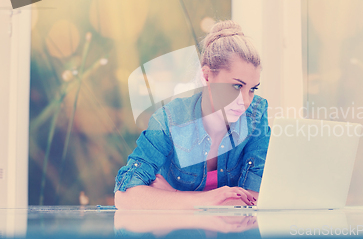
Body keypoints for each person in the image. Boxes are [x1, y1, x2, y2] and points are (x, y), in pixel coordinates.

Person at [114, 20, 271, 210]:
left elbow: (256, 199)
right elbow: (125, 196)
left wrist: (173, 196)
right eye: (237, 86)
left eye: (252, 89)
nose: (245, 101)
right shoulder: (169, 120)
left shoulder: (255, 114)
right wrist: (208, 199)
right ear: (206, 77)